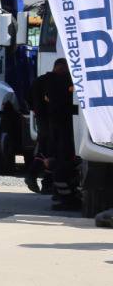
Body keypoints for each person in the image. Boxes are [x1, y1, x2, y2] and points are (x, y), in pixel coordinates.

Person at [31, 58, 80, 211]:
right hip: (63, 127)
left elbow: (29, 98)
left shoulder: (42, 80)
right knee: (61, 163)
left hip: (49, 124)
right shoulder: (66, 82)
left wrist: (38, 111)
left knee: (50, 156)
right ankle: (64, 197)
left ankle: (56, 192)